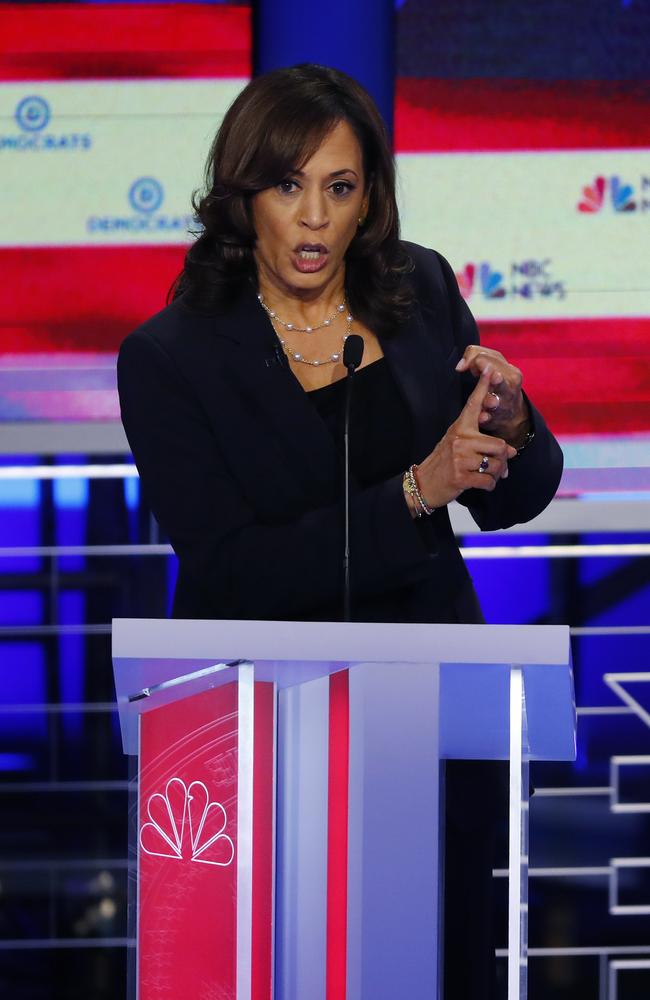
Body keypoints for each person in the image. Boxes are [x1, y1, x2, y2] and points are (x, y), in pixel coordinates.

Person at [118, 63, 563, 999]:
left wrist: (513, 428)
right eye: (288, 186)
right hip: (260, 743)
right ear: (244, 199)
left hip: (431, 714)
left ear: (369, 201)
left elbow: (509, 498)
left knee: (443, 965)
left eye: (340, 187)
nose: (314, 218)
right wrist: (415, 489)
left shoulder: (420, 291)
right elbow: (234, 568)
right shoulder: (170, 358)